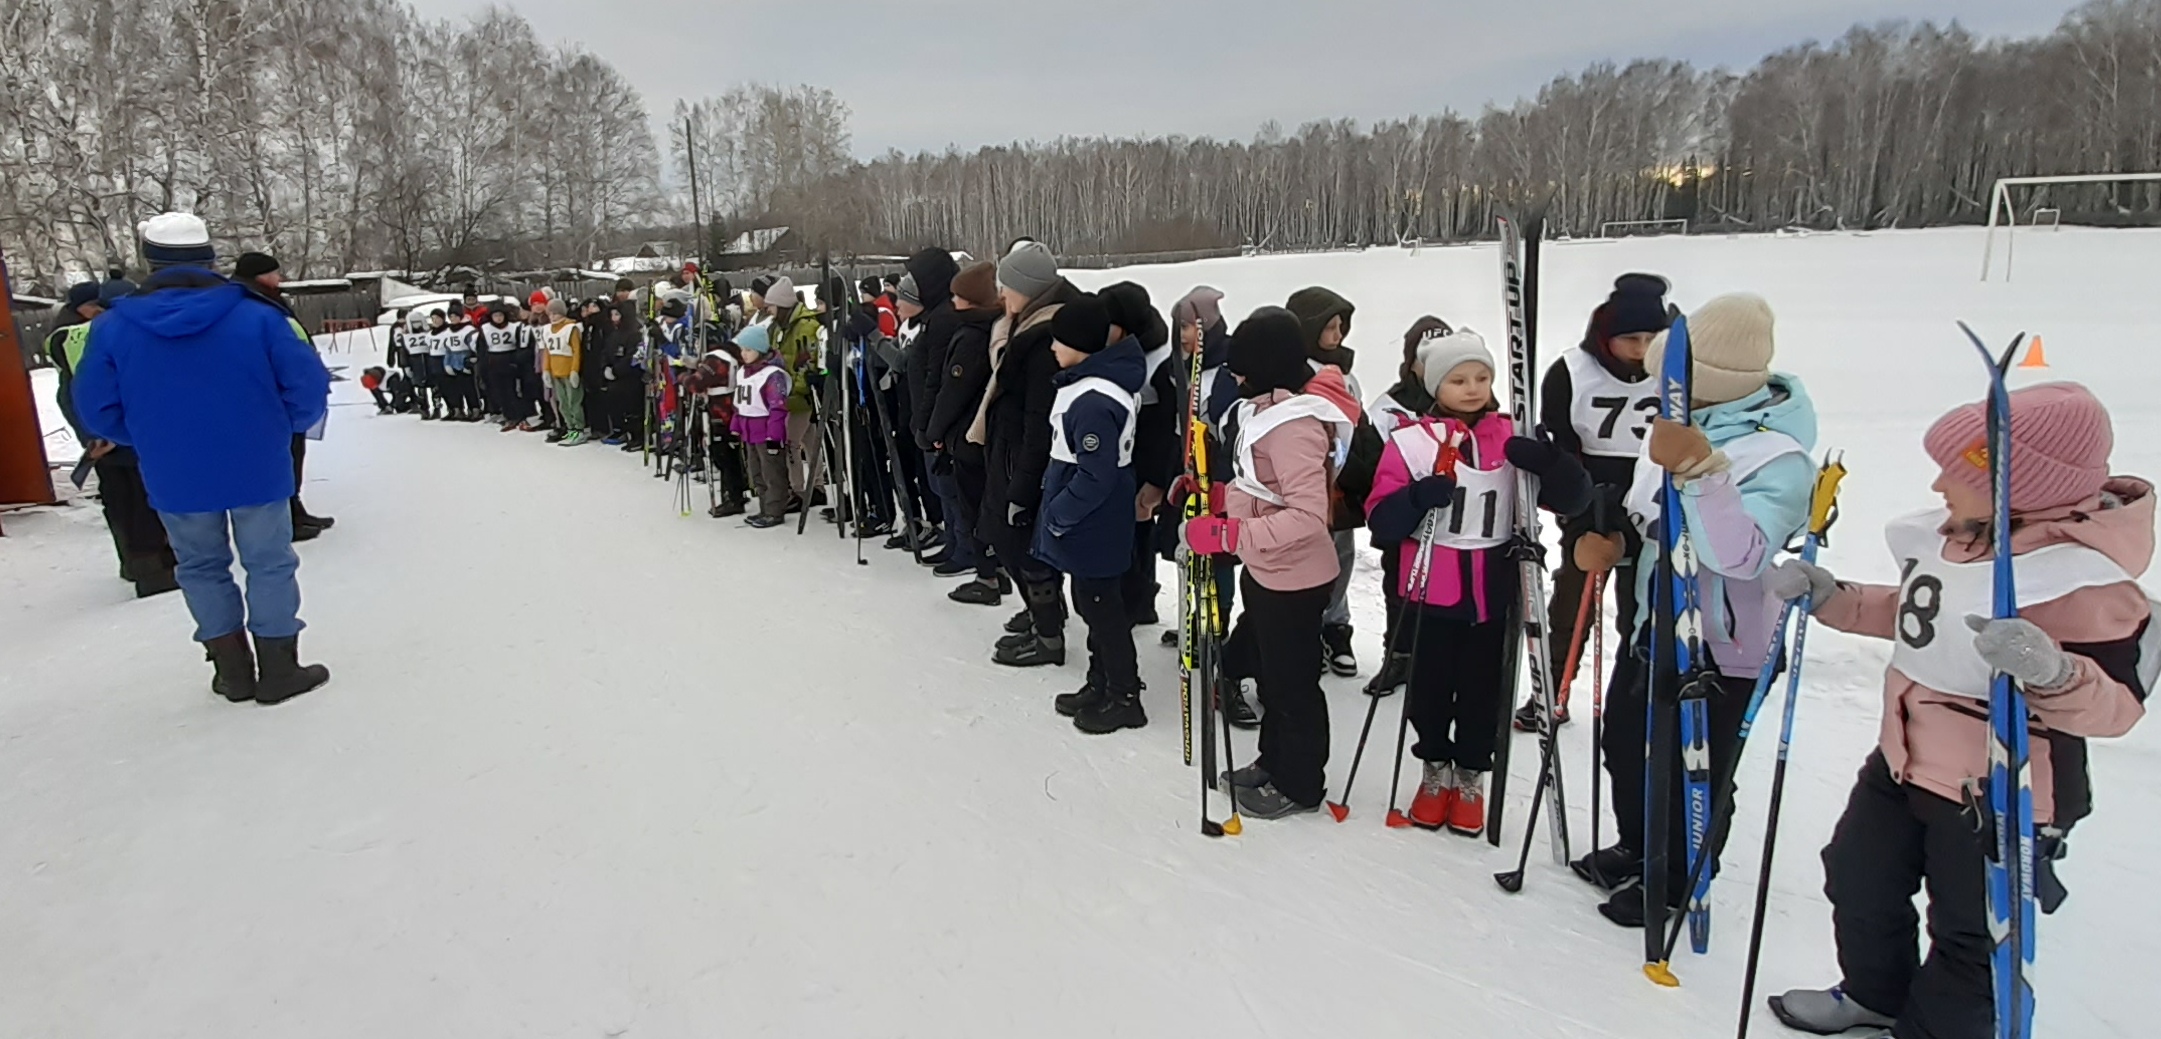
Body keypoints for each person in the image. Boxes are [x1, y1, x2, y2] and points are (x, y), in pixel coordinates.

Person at [1764, 382, 2150, 1039]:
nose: (1938, 484)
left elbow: (2115, 707)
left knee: (1970, 930)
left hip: (1996, 791)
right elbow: (1916, 613)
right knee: (1857, 876)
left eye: (1959, 470)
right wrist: (1835, 598)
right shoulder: (1963, 540)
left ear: (2018, 486)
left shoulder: (2080, 580)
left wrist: (2052, 670)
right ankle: (1873, 995)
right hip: (1901, 758)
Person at [1583, 293, 1818, 926]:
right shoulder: (1672, 428)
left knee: (1695, 768)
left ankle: (1678, 875)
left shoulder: (1779, 458)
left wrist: (1701, 472)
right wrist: (1616, 543)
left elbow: (1741, 555)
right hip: (1654, 622)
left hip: (1725, 645)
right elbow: (1652, 519)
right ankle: (1640, 845)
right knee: (1626, 741)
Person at [70, 211, 332, 705]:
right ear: (210, 257)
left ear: (151, 262)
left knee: (200, 566)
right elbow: (307, 387)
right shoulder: (259, 315)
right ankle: (279, 668)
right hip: (257, 461)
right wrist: (281, 427)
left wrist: (149, 437)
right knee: (269, 561)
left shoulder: (114, 327)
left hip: (173, 470)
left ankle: (232, 672)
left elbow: (97, 410)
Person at [1364, 329, 1590, 835]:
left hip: (1492, 591)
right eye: (1459, 379)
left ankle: (1470, 774)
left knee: (1482, 691)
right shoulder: (1411, 442)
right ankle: (1434, 769)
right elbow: (1380, 523)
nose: (1472, 388)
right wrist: (1418, 498)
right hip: (1428, 590)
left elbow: (1574, 501)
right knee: (1429, 689)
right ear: (1435, 384)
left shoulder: (1512, 436)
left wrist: (1552, 464)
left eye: (1482, 378)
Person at [1193, 307, 1361, 819]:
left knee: (1293, 687)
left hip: (1296, 577)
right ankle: (1274, 761)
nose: (1236, 378)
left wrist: (1228, 533)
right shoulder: (1266, 412)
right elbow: (1262, 487)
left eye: (1242, 368)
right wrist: (1222, 497)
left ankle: (1301, 782)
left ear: (1266, 367)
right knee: (1273, 676)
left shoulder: (1294, 427)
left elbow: (1309, 517)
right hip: (1267, 569)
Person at [1511, 273, 1668, 730]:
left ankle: (1637, 699)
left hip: (1655, 502)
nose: (1640, 349)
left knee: (1643, 610)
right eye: (1630, 339)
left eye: (1650, 338)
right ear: (1607, 338)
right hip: (1591, 499)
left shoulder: (1676, 372)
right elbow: (1561, 439)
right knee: (1573, 603)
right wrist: (1572, 499)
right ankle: (1551, 693)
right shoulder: (1571, 370)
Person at [1034, 294, 1150, 733]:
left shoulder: (1092, 400)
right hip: (1094, 515)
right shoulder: (1089, 385)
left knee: (1102, 608)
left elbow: (1095, 474)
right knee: (1092, 602)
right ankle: (1099, 681)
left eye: (1057, 341)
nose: (1051, 349)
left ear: (1080, 344)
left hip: (1093, 519)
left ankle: (1124, 695)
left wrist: (1060, 514)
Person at [974, 240, 1081, 667]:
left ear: (1030, 289)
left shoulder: (1044, 341)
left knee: (1021, 542)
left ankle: (1048, 636)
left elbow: (1040, 419)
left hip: (1024, 454)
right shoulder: (1030, 322)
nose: (1001, 296)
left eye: (1008, 287)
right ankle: (1043, 616)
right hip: (1010, 447)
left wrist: (1022, 484)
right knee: (1010, 538)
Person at [47, 279, 179, 597]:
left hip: (107, 430)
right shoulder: (91, 334)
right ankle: (151, 569)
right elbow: (81, 390)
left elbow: (68, 391)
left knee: (122, 498)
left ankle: (137, 563)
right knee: (137, 499)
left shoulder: (70, 334)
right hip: (117, 430)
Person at [1349, 316, 1451, 696]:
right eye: (1426, 357)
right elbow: (1373, 464)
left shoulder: (1463, 397)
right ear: (1411, 362)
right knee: (1400, 588)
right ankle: (1398, 656)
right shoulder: (1390, 407)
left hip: (1455, 520)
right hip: (1405, 517)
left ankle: (1437, 660)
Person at [1287, 285, 1371, 677]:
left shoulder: (1345, 374)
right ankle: (1305, 630)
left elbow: (1357, 422)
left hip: (1340, 484)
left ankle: (1336, 626)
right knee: (1306, 561)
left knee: (1341, 555)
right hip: (1305, 484)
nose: (1338, 335)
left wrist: (1361, 468)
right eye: (1330, 327)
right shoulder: (1292, 371)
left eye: (1342, 326)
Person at [233, 251, 336, 539]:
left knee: (293, 452)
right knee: (283, 455)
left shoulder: (265, 300)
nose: (280, 278)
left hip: (283, 392)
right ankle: (286, 517)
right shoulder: (257, 304)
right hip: (274, 394)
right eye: (275, 272)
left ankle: (295, 508)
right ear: (260, 275)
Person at [1097, 281, 1172, 628]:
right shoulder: (1121, 348)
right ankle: (1133, 599)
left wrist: (1156, 480)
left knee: (1139, 530)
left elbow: (1166, 429)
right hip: (1122, 459)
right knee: (1127, 530)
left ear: (1124, 325)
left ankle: (1139, 602)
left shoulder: (1159, 363)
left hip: (1145, 462)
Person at [930, 261, 1005, 603]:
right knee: (982, 503)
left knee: (974, 505)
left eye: (958, 296)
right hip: (981, 434)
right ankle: (995, 568)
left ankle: (987, 575)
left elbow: (954, 390)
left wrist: (936, 428)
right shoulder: (989, 328)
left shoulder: (972, 336)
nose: (952, 301)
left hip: (969, 436)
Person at [767, 277, 827, 509]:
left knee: (792, 442)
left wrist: (798, 388)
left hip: (799, 395)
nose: (770, 311)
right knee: (810, 440)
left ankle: (800, 489)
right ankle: (817, 485)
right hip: (787, 392)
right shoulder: (781, 328)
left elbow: (808, 360)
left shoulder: (805, 326)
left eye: (772, 306)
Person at [731, 324, 794, 529]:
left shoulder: (772, 374)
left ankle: (775, 510)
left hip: (766, 431)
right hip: (749, 430)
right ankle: (764, 507)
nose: (744, 354)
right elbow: (739, 403)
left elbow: (777, 407)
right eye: (742, 350)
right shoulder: (742, 373)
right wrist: (736, 425)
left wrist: (775, 435)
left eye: (748, 350)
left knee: (772, 472)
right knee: (756, 472)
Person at [541, 299, 589, 447]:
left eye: (556, 313)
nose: (552, 317)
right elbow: (548, 352)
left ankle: (579, 429)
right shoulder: (547, 329)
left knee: (574, 402)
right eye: (550, 313)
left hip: (569, 371)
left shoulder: (571, 328)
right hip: (556, 372)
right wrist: (546, 370)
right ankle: (570, 429)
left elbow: (576, 351)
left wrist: (575, 370)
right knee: (563, 404)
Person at [479, 307, 533, 432]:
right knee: (500, 391)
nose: (498, 318)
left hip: (511, 359)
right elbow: (481, 349)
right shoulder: (486, 329)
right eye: (495, 315)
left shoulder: (514, 327)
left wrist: (517, 361)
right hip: (494, 360)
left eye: (500, 315)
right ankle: (508, 415)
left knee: (513, 390)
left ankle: (520, 415)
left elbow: (520, 344)